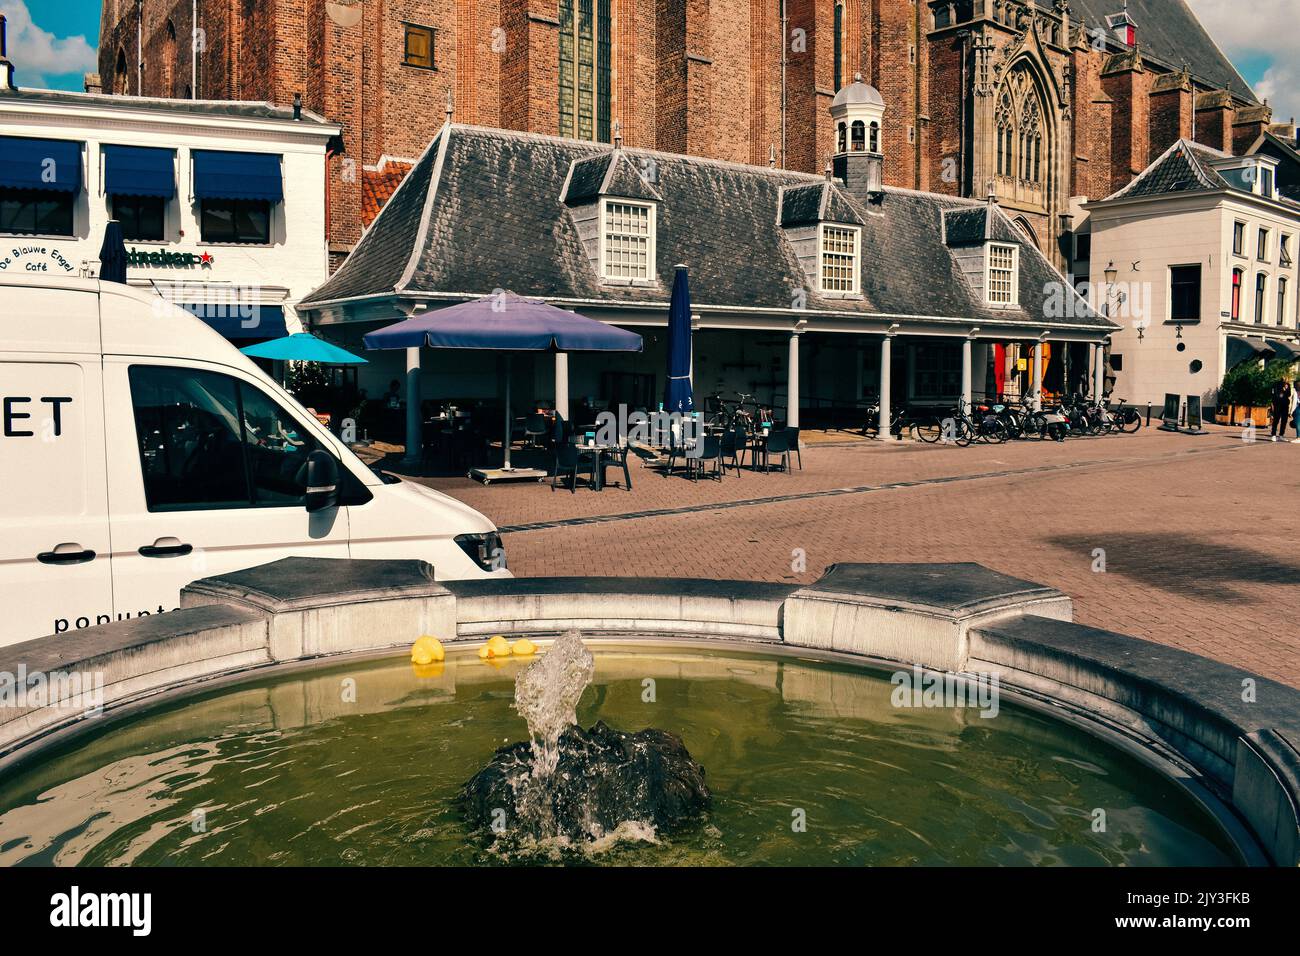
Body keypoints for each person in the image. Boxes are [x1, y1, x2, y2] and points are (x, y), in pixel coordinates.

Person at [1268, 375, 1292, 441]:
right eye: (1285, 378)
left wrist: (1286, 389)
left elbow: (1289, 394)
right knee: (1276, 419)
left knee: (1284, 421)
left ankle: (1281, 435)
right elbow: (1273, 394)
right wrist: (1273, 403)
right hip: (1277, 404)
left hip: (1285, 405)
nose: (1286, 379)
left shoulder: (1288, 385)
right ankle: (1273, 435)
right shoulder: (1276, 384)